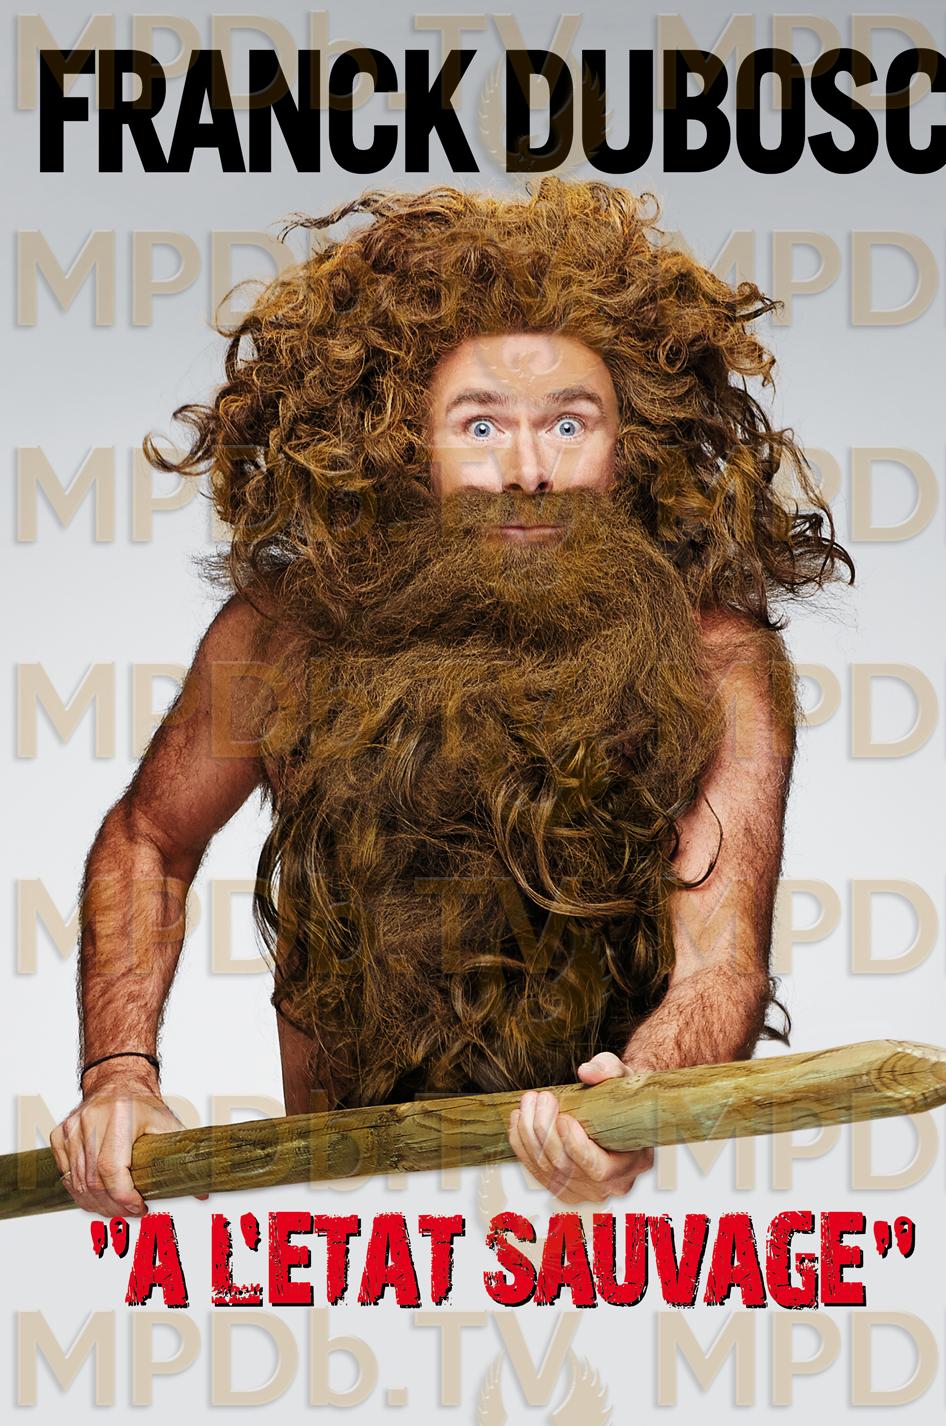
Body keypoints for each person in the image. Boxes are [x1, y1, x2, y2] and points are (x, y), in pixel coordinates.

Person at [49, 179, 853, 1219]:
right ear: (403, 444)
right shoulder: (285, 639)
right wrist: (118, 1074)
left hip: (615, 1229)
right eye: (480, 424)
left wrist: (637, 1099)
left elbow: (720, 962)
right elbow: (150, 839)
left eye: (569, 424)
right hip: (350, 1227)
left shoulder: (714, 661)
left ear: (629, 447)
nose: (528, 469)